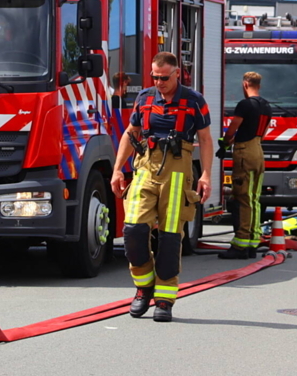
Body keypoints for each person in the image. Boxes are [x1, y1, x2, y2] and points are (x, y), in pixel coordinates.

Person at [111, 51, 214, 323]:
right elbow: (129, 133)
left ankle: (165, 300)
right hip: (145, 168)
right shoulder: (144, 98)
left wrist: (205, 175)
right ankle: (144, 288)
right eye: (155, 77)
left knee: (169, 238)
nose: (159, 82)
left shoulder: (194, 100)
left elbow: (204, 140)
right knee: (132, 230)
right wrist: (117, 169)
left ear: (177, 74)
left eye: (164, 78)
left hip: (179, 172)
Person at [218, 71, 271, 260]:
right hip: (258, 149)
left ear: (246, 83)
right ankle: (252, 241)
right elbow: (261, 131)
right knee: (255, 198)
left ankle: (240, 243)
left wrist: (225, 142)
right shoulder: (266, 105)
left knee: (242, 198)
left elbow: (233, 128)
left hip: (244, 153)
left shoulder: (245, 105)